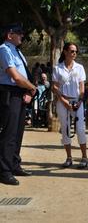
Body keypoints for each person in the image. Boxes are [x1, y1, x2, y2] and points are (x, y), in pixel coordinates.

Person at [0, 24, 36, 185]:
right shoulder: (4, 50)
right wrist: (32, 87)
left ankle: (14, 164)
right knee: (9, 133)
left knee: (18, 131)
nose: (22, 36)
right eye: (19, 33)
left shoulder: (17, 51)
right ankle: (4, 170)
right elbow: (15, 76)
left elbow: (24, 75)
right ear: (9, 35)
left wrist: (28, 91)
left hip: (20, 93)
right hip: (9, 92)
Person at [52, 42, 88, 168]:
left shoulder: (80, 68)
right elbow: (54, 87)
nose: (74, 54)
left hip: (77, 101)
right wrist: (63, 100)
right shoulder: (58, 68)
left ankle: (84, 157)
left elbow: (82, 86)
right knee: (65, 130)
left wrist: (80, 101)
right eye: (72, 51)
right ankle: (69, 157)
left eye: (76, 51)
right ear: (65, 52)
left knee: (80, 129)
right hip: (63, 102)